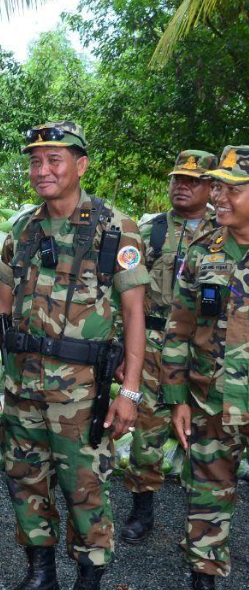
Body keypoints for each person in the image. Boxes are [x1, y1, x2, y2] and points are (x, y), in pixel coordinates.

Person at [0, 121, 147, 590]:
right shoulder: (24, 229)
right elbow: (1, 303)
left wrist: (130, 391)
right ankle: (41, 576)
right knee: (24, 480)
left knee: (84, 489)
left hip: (81, 393)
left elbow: (134, 313)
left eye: (55, 160)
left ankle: (86, 588)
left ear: (81, 165)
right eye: (35, 161)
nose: (43, 170)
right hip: (23, 384)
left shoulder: (116, 228)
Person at [162, 145, 249, 590]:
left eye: (233, 189)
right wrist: (177, 397)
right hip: (211, 401)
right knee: (207, 499)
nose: (219, 197)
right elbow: (178, 327)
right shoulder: (203, 251)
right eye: (217, 187)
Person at [121, 150, 217, 545]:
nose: (182, 187)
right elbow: (125, 295)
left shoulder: (225, 231)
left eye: (193, 181)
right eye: (178, 179)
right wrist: (122, 348)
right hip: (155, 344)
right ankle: (141, 509)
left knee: (207, 433)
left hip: (208, 349)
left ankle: (204, 522)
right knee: (147, 430)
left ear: (211, 186)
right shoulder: (150, 232)